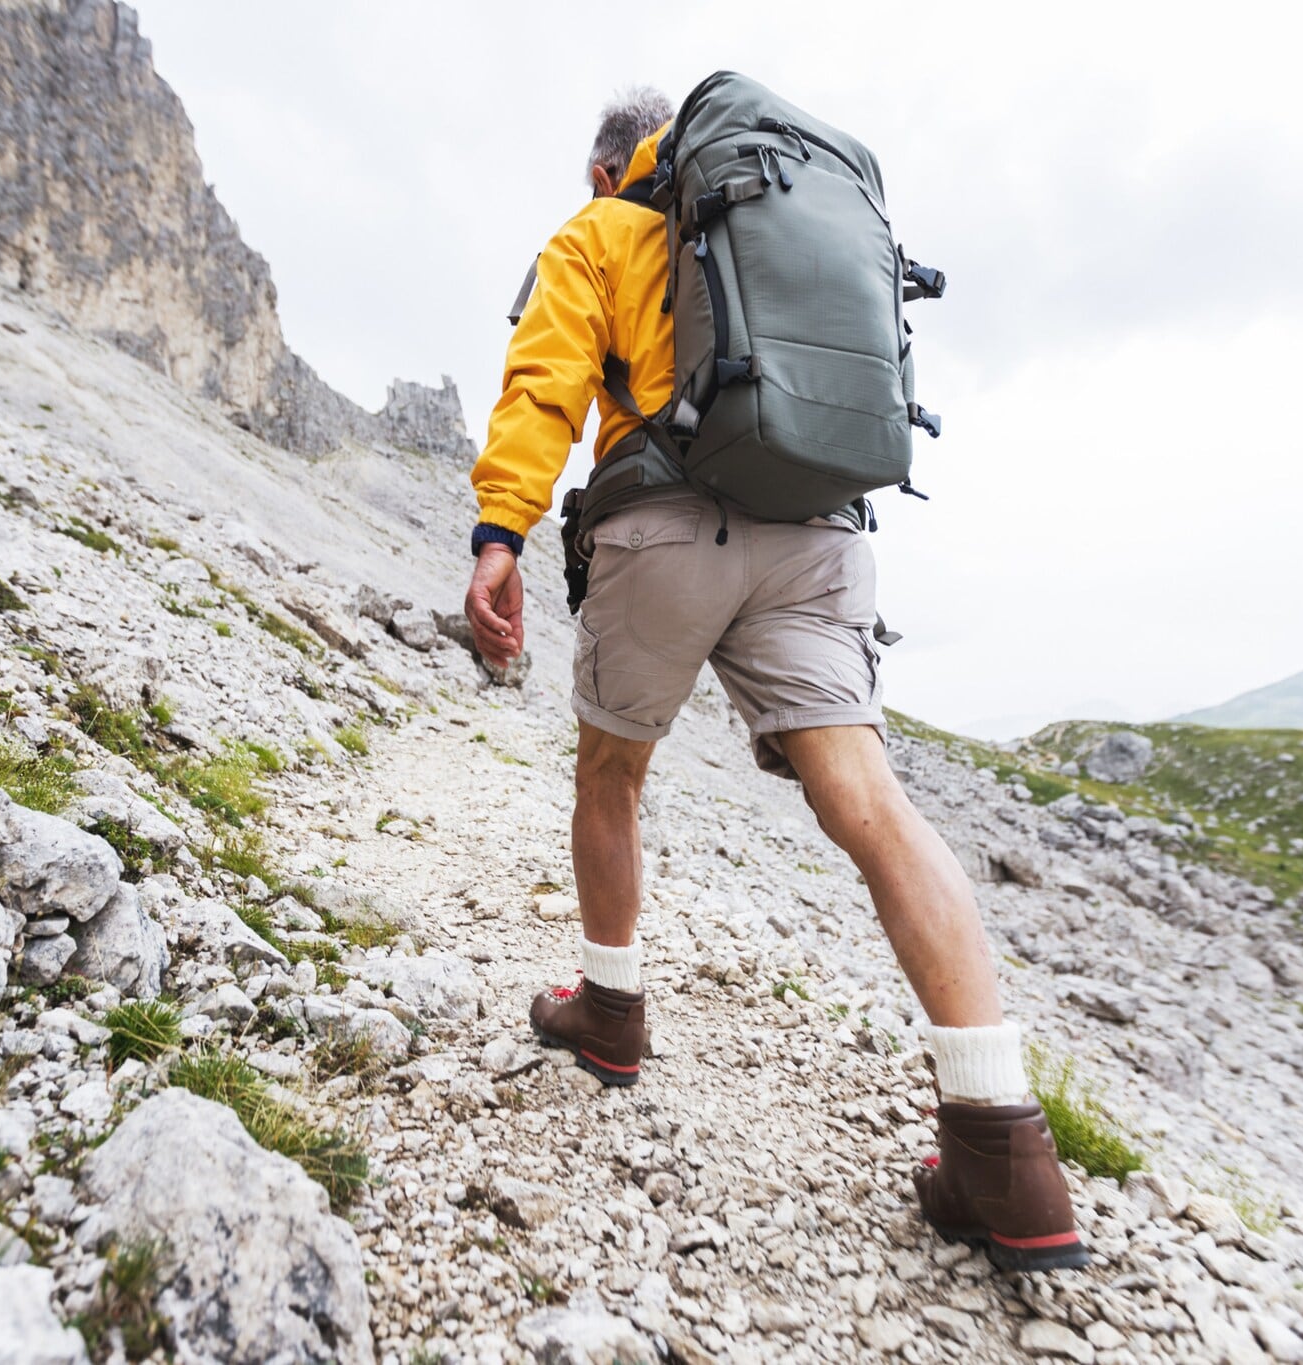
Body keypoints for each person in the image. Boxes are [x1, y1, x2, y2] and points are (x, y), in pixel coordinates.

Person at [462, 88, 1090, 1272]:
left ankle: (609, 1011)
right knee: (870, 809)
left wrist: (499, 534)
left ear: (609, 173)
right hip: (819, 526)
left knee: (610, 773)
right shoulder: (789, 202)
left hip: (662, 523)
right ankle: (1003, 1146)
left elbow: (544, 382)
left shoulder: (597, 234)